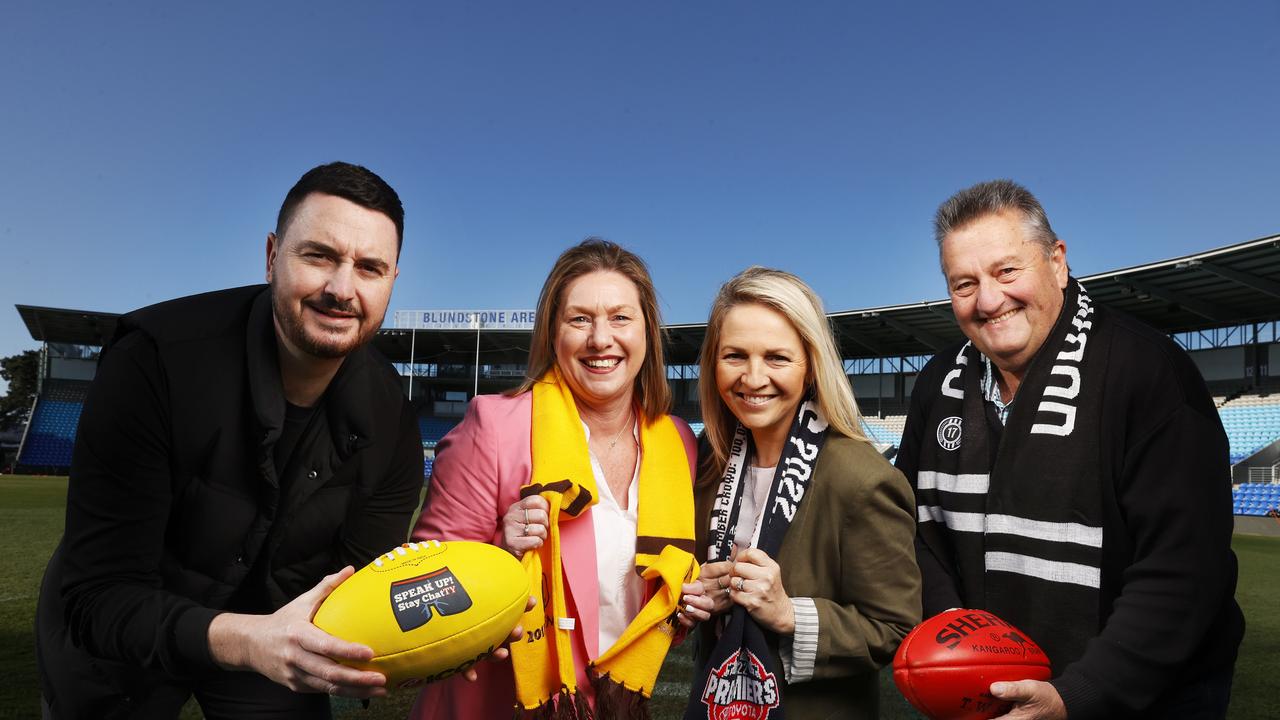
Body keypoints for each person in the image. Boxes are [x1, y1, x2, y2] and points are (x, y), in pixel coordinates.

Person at [36, 162, 425, 718]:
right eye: (318, 256)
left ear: (391, 281)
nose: (342, 289)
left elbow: (358, 586)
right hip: (121, 632)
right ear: (272, 257)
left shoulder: (392, 418)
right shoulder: (153, 360)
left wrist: (439, 641)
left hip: (279, 623)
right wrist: (244, 640)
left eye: (369, 267)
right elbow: (99, 594)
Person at [896, 179, 1244, 719]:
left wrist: (1077, 695)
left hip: (1145, 699)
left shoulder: (1148, 372)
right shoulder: (937, 380)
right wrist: (960, 649)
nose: (988, 300)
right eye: (964, 283)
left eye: (1007, 271)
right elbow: (916, 529)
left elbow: (1184, 568)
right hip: (986, 694)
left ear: (1057, 261)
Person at [409, 238, 700, 719]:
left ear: (648, 333)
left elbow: (645, 597)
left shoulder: (677, 442)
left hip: (613, 706)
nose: (600, 339)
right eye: (579, 319)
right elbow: (421, 597)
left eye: (620, 318)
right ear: (553, 333)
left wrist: (685, 601)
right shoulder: (494, 427)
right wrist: (501, 554)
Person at [681, 267, 921, 720]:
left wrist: (790, 614)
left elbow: (894, 628)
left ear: (811, 365)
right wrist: (692, 600)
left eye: (776, 358)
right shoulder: (705, 467)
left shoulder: (863, 478)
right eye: (734, 356)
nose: (752, 378)